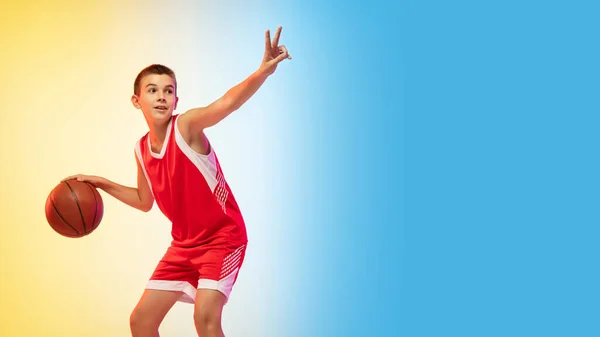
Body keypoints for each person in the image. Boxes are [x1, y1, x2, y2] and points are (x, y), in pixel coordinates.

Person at [62, 26, 291, 337]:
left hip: (223, 239)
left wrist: (262, 72)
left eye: (168, 90)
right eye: (153, 90)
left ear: (176, 98)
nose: (161, 96)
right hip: (183, 245)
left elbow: (226, 104)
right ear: (136, 100)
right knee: (141, 321)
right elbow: (145, 202)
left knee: (205, 319)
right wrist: (102, 183)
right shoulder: (141, 149)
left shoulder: (186, 127)